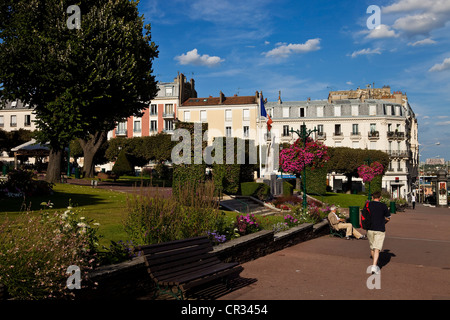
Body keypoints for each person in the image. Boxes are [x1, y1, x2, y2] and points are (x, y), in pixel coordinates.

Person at [367, 191, 391, 274]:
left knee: (372, 248)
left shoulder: (368, 205)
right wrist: (383, 222)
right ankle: (374, 266)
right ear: (380, 197)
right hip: (380, 229)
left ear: (372, 197)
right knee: (377, 248)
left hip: (370, 228)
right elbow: (388, 218)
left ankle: (375, 263)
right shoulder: (383, 206)